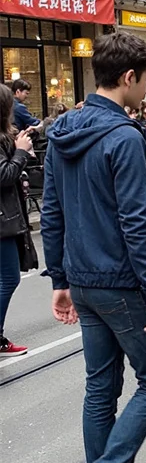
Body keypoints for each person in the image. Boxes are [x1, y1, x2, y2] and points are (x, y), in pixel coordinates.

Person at [41, 32, 146, 463]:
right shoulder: (123, 138)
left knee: (101, 386)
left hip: (82, 279)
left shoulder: (61, 132)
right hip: (123, 285)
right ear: (127, 78)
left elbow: (52, 211)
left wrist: (59, 279)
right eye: (145, 82)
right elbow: (138, 223)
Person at [0, 84, 38, 354]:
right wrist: (21, 153)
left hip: (7, 217)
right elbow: (3, 176)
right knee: (8, 278)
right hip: (2, 221)